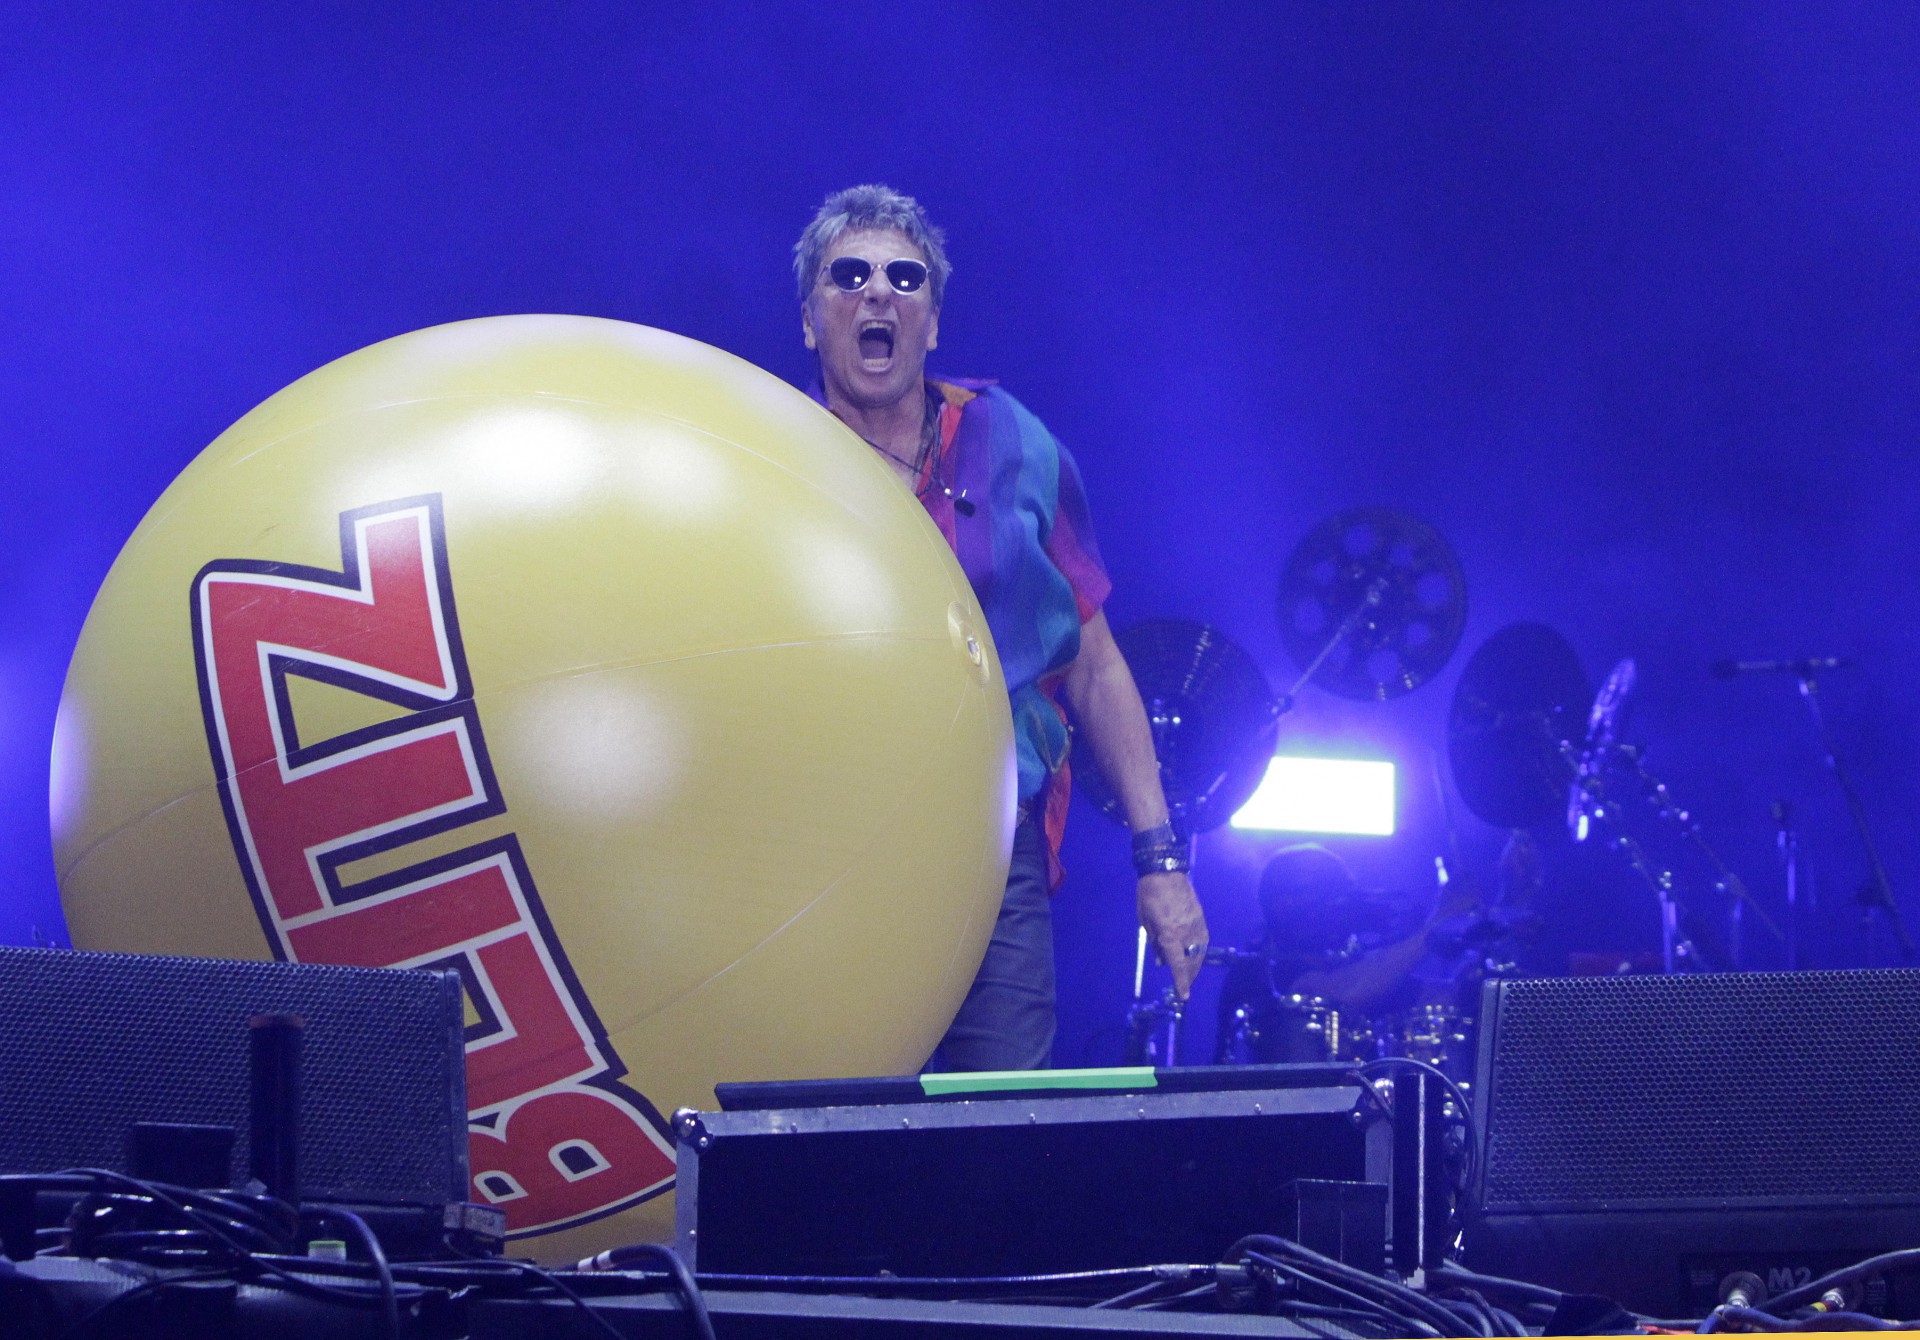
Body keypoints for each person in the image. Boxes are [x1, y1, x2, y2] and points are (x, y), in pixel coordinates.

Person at [793, 183, 1207, 1071]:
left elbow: (1094, 665)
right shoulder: (772, 454)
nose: (877, 293)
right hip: (819, 842)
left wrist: (1160, 859)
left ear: (932, 322)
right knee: (832, 1132)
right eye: (849, 276)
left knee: (997, 1130)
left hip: (988, 843)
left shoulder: (1012, 442)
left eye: (905, 278)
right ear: (810, 319)